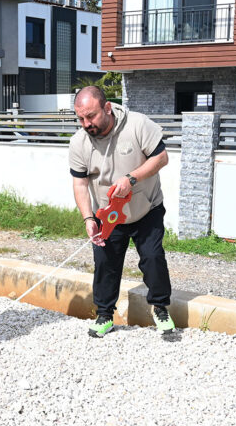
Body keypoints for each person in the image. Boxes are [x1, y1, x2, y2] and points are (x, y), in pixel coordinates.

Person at [69, 85, 175, 338]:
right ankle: (105, 315)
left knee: (152, 257)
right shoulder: (78, 143)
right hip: (107, 215)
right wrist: (88, 218)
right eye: (81, 118)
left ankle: (160, 307)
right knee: (105, 264)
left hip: (145, 207)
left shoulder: (138, 125)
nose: (86, 123)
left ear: (107, 107)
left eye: (91, 116)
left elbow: (161, 158)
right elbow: (80, 183)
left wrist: (132, 178)